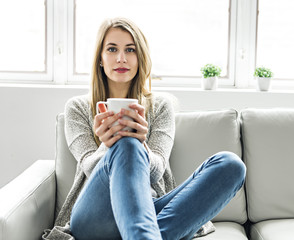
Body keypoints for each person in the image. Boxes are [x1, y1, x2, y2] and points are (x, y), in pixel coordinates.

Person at [43, 17, 246, 240]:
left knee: (230, 165)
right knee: (127, 143)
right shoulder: (78, 108)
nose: (121, 58)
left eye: (130, 50)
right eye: (112, 49)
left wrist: (143, 147)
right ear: (100, 59)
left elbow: (158, 169)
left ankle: (142, 235)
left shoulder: (160, 106)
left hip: (150, 209)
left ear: (140, 57)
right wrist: (109, 145)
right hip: (95, 216)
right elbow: (89, 167)